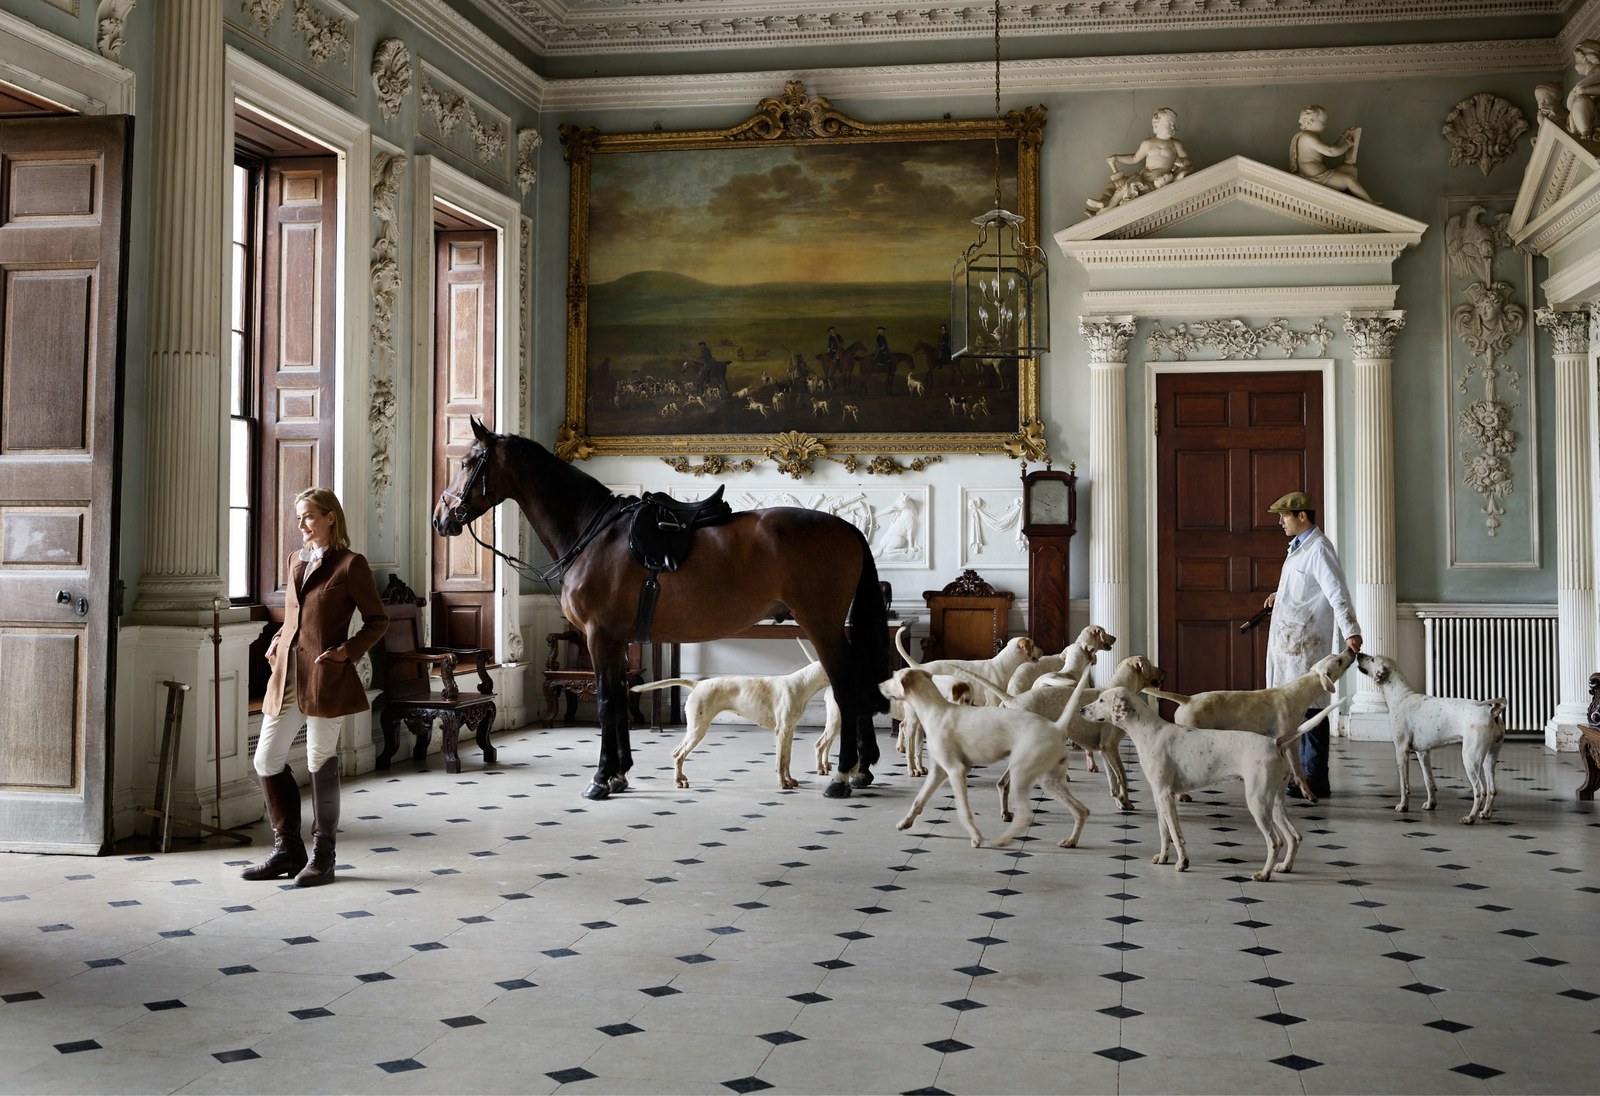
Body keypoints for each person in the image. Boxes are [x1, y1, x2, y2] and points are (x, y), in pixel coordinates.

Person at [241, 487, 388, 887]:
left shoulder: (351, 565)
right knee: (266, 759)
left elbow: (378, 621)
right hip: (288, 675)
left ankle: (324, 857)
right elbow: (296, 617)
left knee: (318, 761)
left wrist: (346, 652)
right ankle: (287, 848)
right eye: (298, 516)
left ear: (330, 518)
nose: (300, 524)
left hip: (327, 678)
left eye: (307, 516)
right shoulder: (295, 561)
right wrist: (279, 639)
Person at [1263, 491, 1362, 799]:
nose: (1280, 522)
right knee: (1292, 710)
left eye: (1284, 516)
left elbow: (1336, 592)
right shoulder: (1298, 549)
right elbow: (1303, 590)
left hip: (1306, 646)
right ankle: (1296, 775)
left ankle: (1315, 777)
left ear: (1302, 516)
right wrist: (1278, 598)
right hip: (1291, 642)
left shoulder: (1318, 549)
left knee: (1310, 711)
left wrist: (1351, 631)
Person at [1085, 107, 1192, 214]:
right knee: (1114, 184)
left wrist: (1183, 162)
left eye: (1174, 124)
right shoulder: (1148, 143)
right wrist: (1117, 158)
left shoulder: (1176, 144)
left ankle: (1099, 213)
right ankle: (1103, 201)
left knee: (1120, 193)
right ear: (1156, 125)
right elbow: (1134, 158)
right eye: (1169, 124)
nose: (1173, 127)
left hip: (1155, 183)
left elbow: (1188, 161)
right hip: (1141, 177)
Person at [1290, 105, 1373, 202]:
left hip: (1321, 174)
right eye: (1322, 122)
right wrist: (1347, 144)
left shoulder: (1308, 136)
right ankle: (1370, 202)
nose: (1325, 125)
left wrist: (1344, 136)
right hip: (1315, 177)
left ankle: (1351, 198)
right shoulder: (1308, 136)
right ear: (1310, 121)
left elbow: (1333, 148)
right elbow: (1331, 151)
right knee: (1349, 180)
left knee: (1350, 169)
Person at [1567, 39, 1600, 140]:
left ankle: (1588, 132)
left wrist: (1585, 91)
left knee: (1581, 101)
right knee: (1580, 101)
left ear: (1586, 58)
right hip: (1590, 114)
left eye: (1577, 60)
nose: (1575, 65)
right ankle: (1586, 132)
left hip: (1597, 113)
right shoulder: (1588, 78)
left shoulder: (1598, 71)